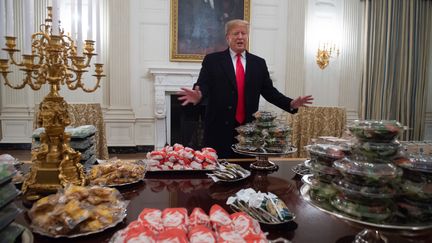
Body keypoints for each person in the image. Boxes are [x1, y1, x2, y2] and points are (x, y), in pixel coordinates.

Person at [177, 19, 313, 158]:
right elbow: (203, 85)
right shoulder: (212, 60)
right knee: (217, 175)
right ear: (227, 37)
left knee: (247, 173)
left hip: (248, 134)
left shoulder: (258, 63)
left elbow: (269, 92)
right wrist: (198, 95)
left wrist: (290, 103)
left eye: (244, 33)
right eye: (236, 33)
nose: (240, 37)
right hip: (218, 132)